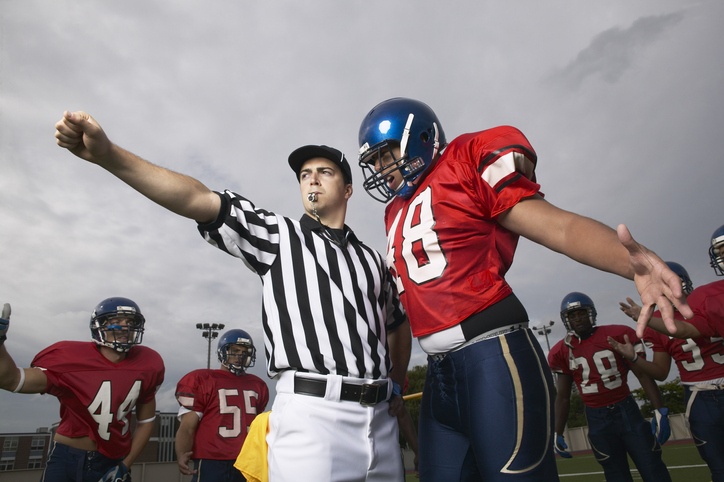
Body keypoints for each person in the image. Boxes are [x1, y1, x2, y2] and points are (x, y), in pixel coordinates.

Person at [55, 111, 412, 482]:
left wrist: (397, 383)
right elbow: (199, 199)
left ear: (348, 189)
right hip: (314, 416)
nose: (312, 179)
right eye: (305, 174)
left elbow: (398, 326)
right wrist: (109, 154)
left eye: (325, 171)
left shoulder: (372, 259)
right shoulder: (279, 237)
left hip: (380, 419)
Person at [356, 97, 690, 480]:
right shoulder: (393, 211)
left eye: (386, 154)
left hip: (493, 355)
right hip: (438, 372)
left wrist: (633, 263)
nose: (381, 168)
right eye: (374, 162)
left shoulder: (461, 162)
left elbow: (557, 227)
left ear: (420, 136)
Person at [0, 297, 165, 482]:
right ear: (99, 326)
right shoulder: (70, 356)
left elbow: (146, 421)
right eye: (116, 321)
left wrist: (125, 464)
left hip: (114, 460)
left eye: (130, 322)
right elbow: (11, 380)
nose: (124, 327)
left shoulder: (149, 364)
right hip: (67, 456)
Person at [615, 258, 724, 481]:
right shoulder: (656, 323)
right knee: (719, 468)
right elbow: (661, 372)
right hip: (699, 395)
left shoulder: (707, 299)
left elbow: (682, 329)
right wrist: (634, 357)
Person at [548, 292, 671, 482]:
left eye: (581, 313)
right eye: (572, 316)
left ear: (591, 313)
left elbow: (642, 374)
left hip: (626, 409)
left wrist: (659, 408)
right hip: (596, 417)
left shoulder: (617, 334)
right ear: (566, 320)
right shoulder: (561, 351)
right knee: (614, 473)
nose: (577, 319)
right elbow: (563, 396)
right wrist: (558, 430)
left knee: (652, 466)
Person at [175, 329, 269, 482]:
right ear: (223, 352)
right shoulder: (203, 379)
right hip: (211, 459)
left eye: (245, 352)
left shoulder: (259, 385)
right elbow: (187, 426)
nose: (240, 356)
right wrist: (182, 453)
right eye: (235, 351)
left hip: (247, 459)